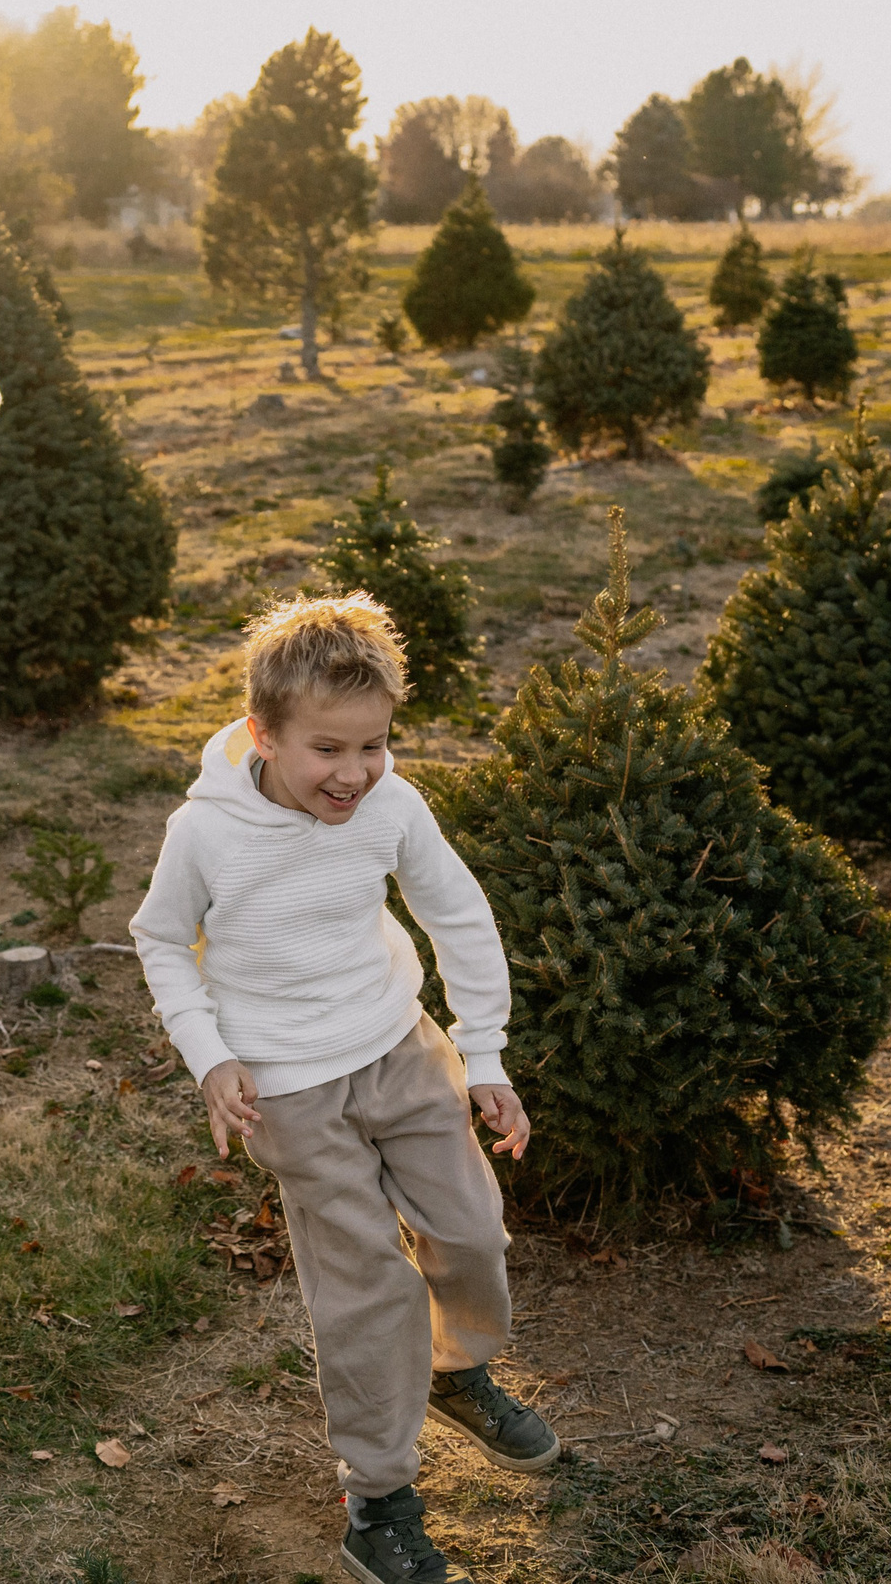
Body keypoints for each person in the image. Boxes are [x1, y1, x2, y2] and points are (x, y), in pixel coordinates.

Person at [128, 593, 560, 1584]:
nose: (355, 774)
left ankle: (455, 1371)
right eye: (328, 749)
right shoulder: (206, 834)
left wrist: (483, 1053)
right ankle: (377, 1499)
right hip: (288, 1088)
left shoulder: (392, 807)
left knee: (472, 1234)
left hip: (400, 1048)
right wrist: (210, 1055)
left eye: (374, 746)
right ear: (260, 733)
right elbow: (158, 941)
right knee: (365, 1284)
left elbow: (459, 916)